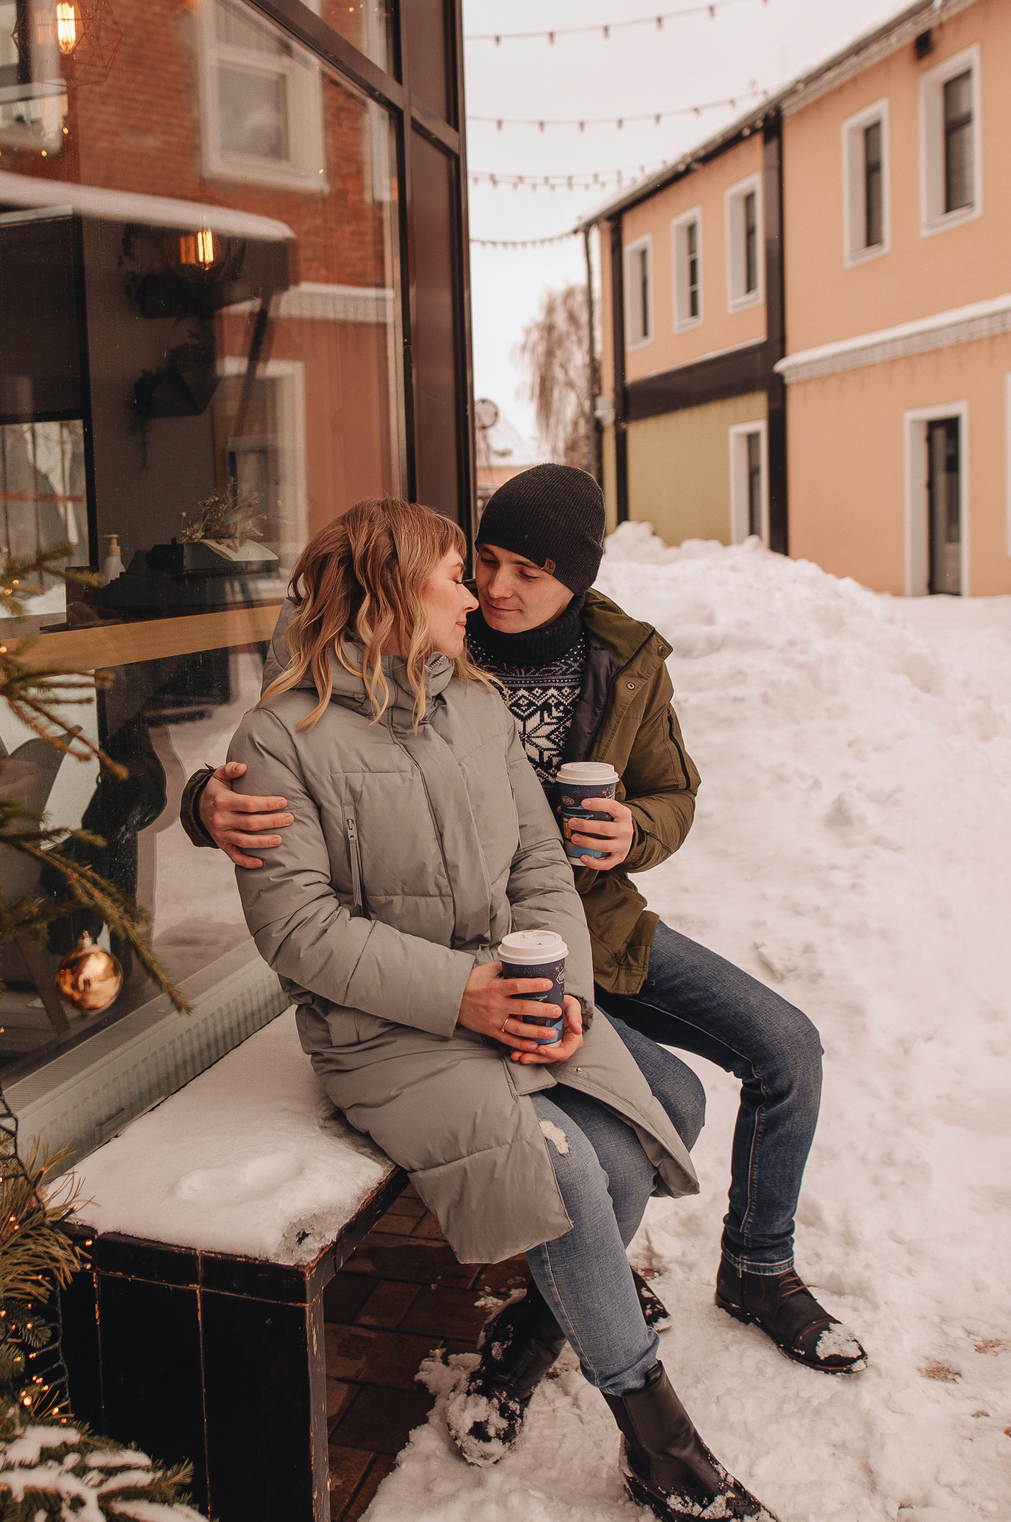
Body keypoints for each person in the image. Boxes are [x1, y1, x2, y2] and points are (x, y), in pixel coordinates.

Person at [188, 465, 866, 1386]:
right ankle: (578, 1299)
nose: (493, 589)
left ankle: (754, 1265)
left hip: (594, 925)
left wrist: (635, 829)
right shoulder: (419, 622)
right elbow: (292, 739)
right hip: (471, 952)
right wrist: (206, 801)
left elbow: (674, 793)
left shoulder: (622, 659)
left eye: (527, 572)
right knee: (650, 1110)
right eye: (484, 561)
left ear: (574, 581)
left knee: (787, 1046)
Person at [226, 499, 771, 1520]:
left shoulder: (472, 703)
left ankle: (543, 1323)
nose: (475, 597)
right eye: (454, 576)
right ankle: (661, 1444)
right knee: (567, 1169)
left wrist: (559, 990)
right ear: (394, 592)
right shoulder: (280, 735)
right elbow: (299, 930)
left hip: (508, 988)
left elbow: (538, 863)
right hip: (380, 1028)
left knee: (644, 1137)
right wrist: (461, 994)